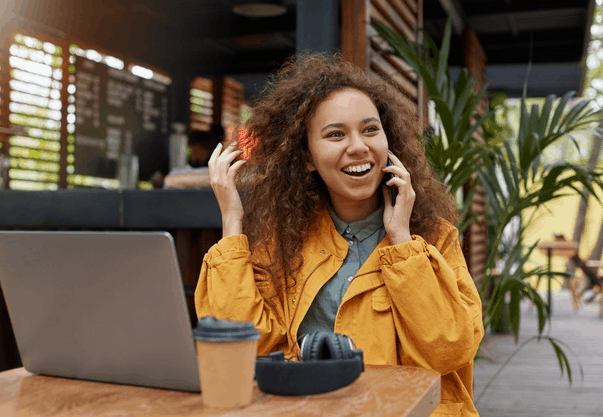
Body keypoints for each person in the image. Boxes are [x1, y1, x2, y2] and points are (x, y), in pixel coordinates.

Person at [195, 53, 483, 417]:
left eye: (370, 129)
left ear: (389, 141)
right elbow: (246, 348)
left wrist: (402, 241)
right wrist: (232, 224)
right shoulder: (282, 241)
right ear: (307, 158)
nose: (359, 146)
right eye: (335, 134)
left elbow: (449, 351)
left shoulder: (435, 239)